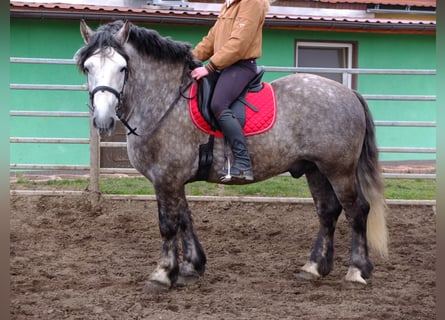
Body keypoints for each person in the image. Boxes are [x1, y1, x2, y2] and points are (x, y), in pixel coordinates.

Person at [191, 0, 270, 181]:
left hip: (241, 66)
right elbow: (211, 40)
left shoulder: (252, 3)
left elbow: (239, 42)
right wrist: (189, 60)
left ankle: (243, 163)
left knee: (218, 103)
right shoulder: (228, 4)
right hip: (225, 66)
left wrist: (209, 67)